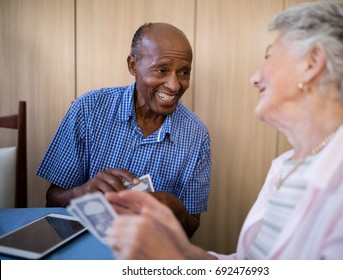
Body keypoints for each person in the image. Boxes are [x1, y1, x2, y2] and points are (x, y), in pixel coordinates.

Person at [105, 1, 343, 259]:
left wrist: (173, 260)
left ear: (311, 64)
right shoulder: (287, 165)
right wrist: (183, 250)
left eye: (270, 57)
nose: (255, 78)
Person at [36, 22, 211, 238]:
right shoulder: (88, 109)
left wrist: (175, 208)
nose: (174, 85)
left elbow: (191, 226)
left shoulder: (197, 135)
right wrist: (83, 192)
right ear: (133, 66)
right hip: (87, 249)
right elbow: (51, 200)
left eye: (184, 72)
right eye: (162, 69)